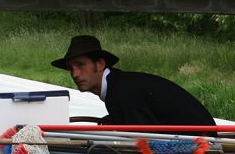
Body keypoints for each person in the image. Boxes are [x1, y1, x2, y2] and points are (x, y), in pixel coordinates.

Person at [51, 35, 214, 127]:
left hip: (202, 144)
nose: (75, 73)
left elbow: (142, 138)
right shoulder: (120, 86)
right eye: (71, 68)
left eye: (80, 65)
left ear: (100, 64)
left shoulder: (121, 92)